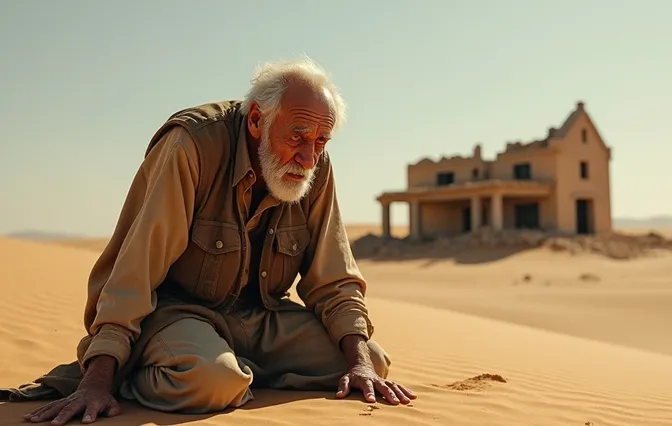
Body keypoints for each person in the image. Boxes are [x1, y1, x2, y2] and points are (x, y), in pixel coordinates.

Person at [21, 56, 416, 425]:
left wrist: (359, 363)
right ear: (257, 120)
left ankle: (223, 365)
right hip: (176, 312)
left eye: (321, 141)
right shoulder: (190, 146)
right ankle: (145, 368)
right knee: (213, 381)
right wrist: (97, 380)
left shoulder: (315, 168)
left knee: (371, 362)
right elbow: (133, 272)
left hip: (257, 317)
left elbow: (334, 279)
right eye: (298, 136)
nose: (309, 157)